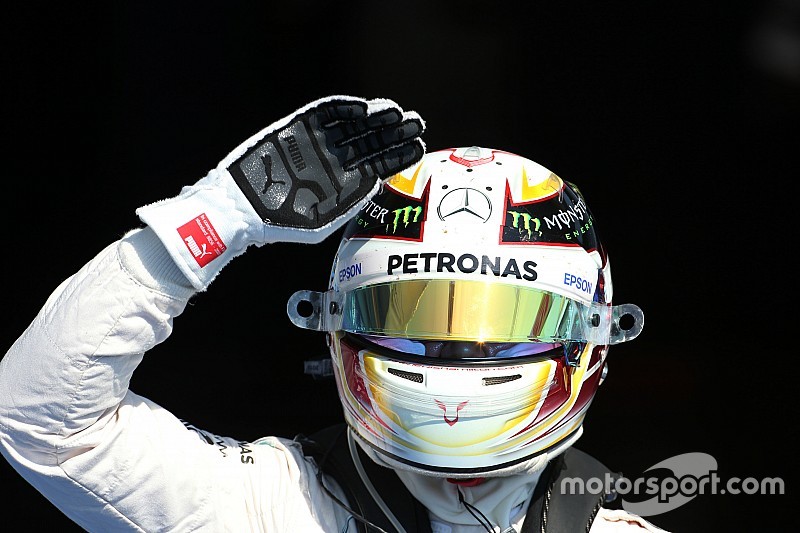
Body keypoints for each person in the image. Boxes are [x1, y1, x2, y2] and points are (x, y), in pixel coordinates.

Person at [0, 95, 665, 532]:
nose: (455, 351)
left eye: (506, 320)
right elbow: (37, 414)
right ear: (334, 325)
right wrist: (218, 217)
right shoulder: (272, 507)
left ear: (592, 340)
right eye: (410, 310)